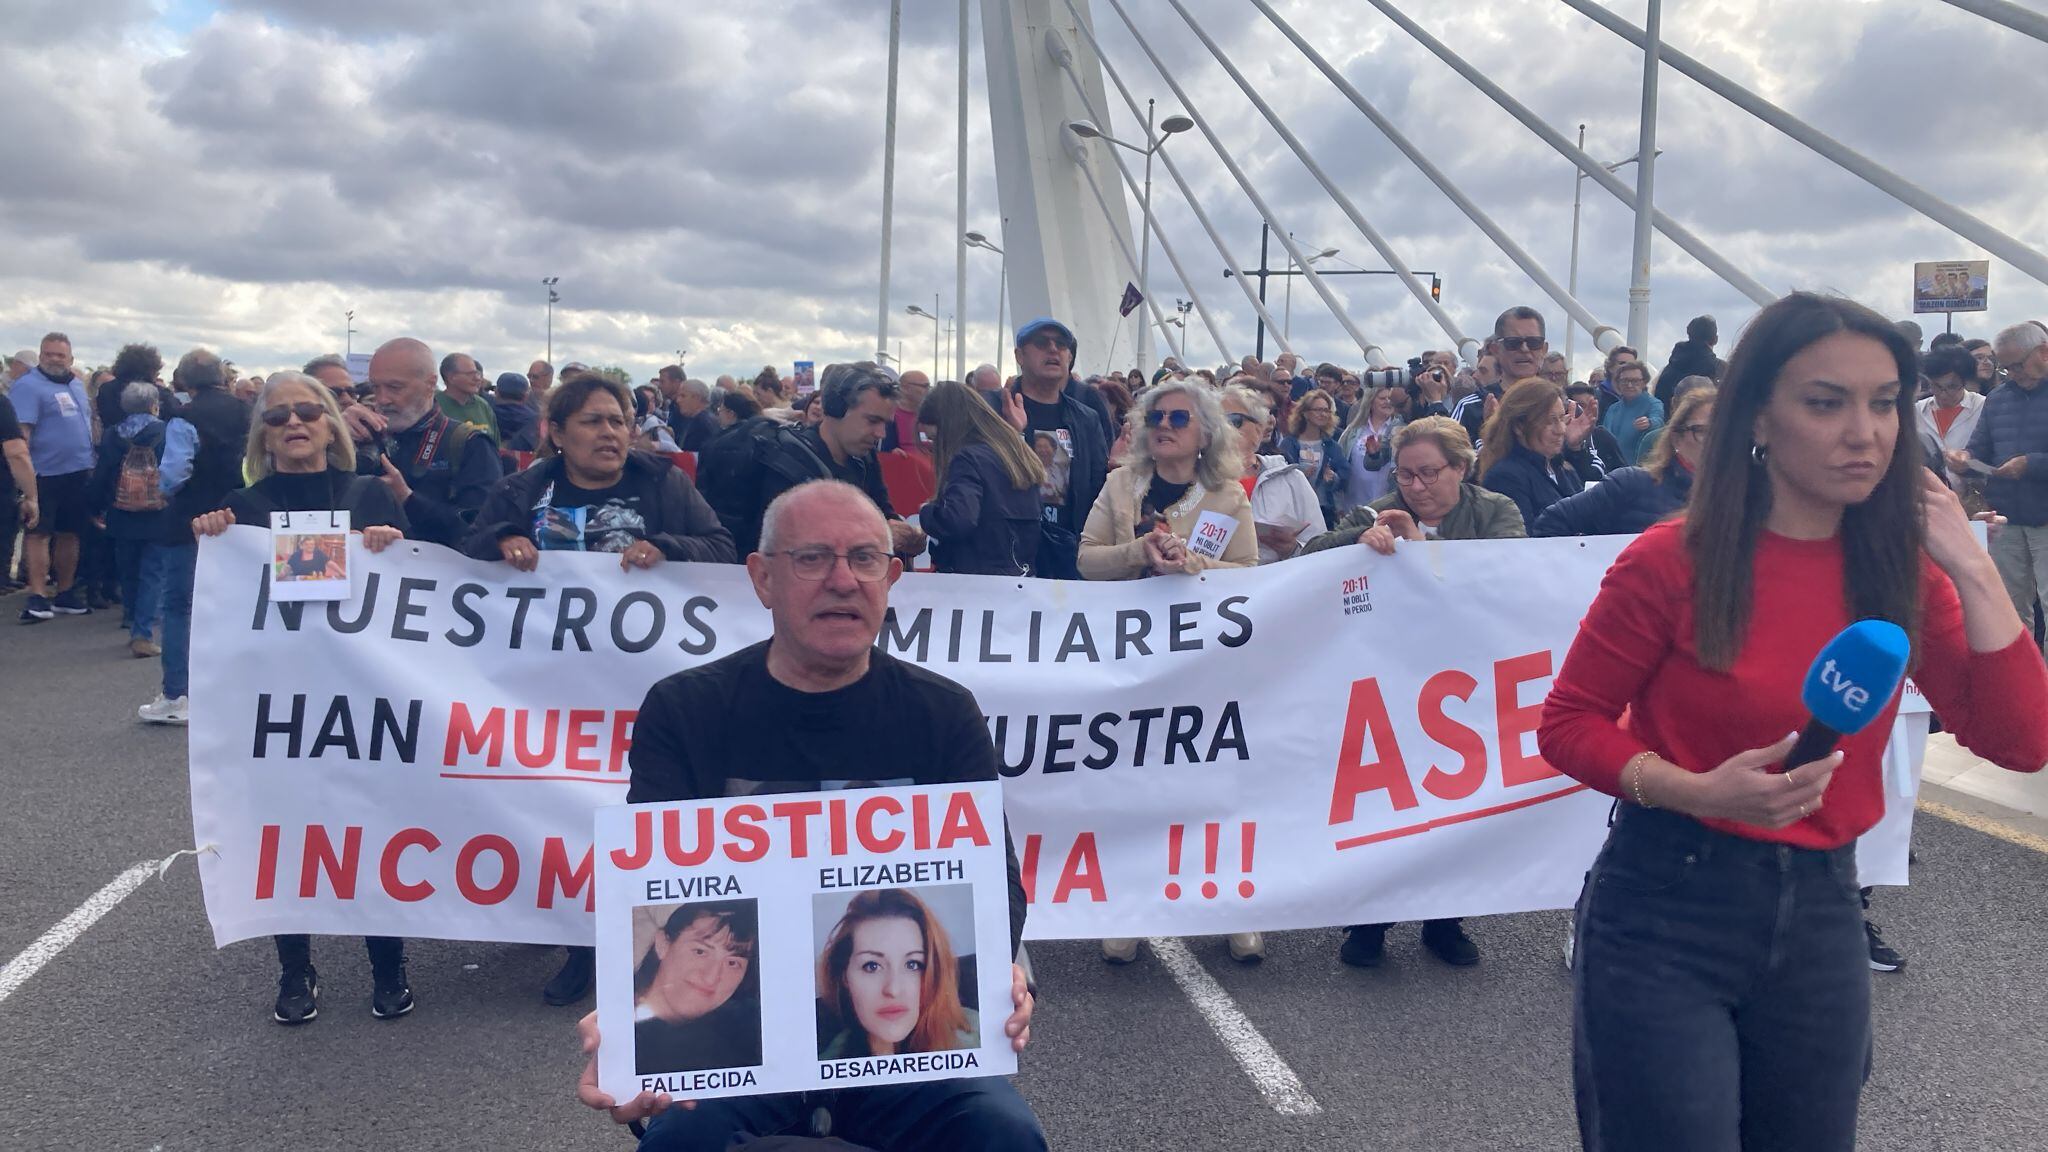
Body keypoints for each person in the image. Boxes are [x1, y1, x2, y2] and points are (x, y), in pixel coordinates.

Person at [1538, 291, 2048, 1151]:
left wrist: (1971, 566)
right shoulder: (1671, 560)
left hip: (1821, 917)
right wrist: (1693, 791)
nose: (1866, 432)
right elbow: (1569, 722)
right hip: (1666, 906)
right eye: (1826, 402)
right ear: (1760, 418)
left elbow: (2021, 741)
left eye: (1884, 402)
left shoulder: (1905, 573)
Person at [576, 479, 1042, 1151]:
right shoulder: (686, 710)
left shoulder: (943, 713)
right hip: (743, 1048)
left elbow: (996, 883)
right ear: (763, 578)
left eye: (864, 559)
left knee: (1004, 1133)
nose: (843, 580)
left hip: (900, 1053)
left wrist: (1005, 972)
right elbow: (648, 889)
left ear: (893, 577)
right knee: (680, 1139)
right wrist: (626, 1028)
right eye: (812, 558)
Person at [467, 374, 732, 1004]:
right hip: (547, 694)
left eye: (618, 420)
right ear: (555, 433)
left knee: (639, 810)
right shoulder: (523, 489)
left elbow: (723, 549)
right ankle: (580, 947)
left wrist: (664, 546)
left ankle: (648, 940)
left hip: (646, 689)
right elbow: (464, 560)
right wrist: (501, 542)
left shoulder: (664, 484)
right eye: (592, 421)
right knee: (563, 811)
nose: (611, 433)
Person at [186, 372, 413, 1022]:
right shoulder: (243, 510)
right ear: (263, 432)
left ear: (329, 425)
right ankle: (294, 968)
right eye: (279, 414)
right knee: (288, 832)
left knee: (370, 826)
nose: (294, 423)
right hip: (283, 705)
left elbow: (417, 590)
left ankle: (388, 961)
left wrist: (391, 549)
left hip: (364, 701)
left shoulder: (369, 494)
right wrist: (214, 535)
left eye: (308, 412)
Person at [1303, 417, 1521, 964]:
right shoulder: (1378, 508)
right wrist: (1360, 538)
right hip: (1388, 676)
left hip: (1463, 681)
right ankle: (1369, 924)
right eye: (1406, 475)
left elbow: (1507, 574)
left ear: (1461, 468)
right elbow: (1308, 560)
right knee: (1383, 802)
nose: (1416, 487)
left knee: (1454, 800)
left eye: (1429, 474)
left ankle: (1445, 921)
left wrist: (1418, 548)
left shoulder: (1496, 511)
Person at [697, 362, 926, 560]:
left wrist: (907, 535)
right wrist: (878, 535)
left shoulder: (864, 460)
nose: (881, 433)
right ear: (836, 409)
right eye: (872, 420)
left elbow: (882, 513)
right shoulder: (784, 462)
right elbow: (791, 544)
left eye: (885, 423)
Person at [139, 348, 250, 725]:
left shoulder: (183, 418)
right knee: (235, 606)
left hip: (189, 520)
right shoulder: (245, 411)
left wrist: (163, 491)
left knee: (179, 607)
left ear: (183, 381)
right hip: (240, 519)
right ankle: (229, 690)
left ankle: (177, 693)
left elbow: (174, 474)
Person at [341, 338, 502, 548]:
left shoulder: (469, 444)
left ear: (430, 384)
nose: (382, 399)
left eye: (394, 387)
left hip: (435, 576)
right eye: (375, 387)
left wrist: (408, 499)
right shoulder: (361, 434)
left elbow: (484, 531)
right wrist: (333, 434)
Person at [982, 319, 1113, 559]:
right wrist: (1012, 435)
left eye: (1061, 344)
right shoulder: (989, 408)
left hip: (1067, 552)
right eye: (1042, 342)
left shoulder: (1086, 418)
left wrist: (1118, 470)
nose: (1053, 349)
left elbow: (1097, 487)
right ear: (1019, 356)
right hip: (1004, 550)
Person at [1952, 322, 2048, 642]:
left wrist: (2031, 464)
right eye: (2005, 367)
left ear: (2043, 353)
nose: (2012, 373)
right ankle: (2026, 681)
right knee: (2009, 606)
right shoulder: (1998, 398)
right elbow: (1981, 448)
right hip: (2006, 515)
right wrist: (1964, 460)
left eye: (2017, 365)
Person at [817, 888, 977, 1059]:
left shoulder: (978, 1033)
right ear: (844, 977)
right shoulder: (821, 1068)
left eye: (912, 965)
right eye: (872, 966)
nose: (893, 989)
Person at [1536, 387, 1715, 537]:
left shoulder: (1740, 500)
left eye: (1728, 432)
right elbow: (1552, 523)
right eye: (1703, 431)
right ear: (1676, 438)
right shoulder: (1632, 484)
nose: (1718, 441)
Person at [915, 380, 1043, 576]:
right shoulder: (1018, 454)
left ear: (948, 428)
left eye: (934, 439)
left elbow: (958, 520)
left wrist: (927, 513)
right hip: (1020, 575)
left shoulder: (966, 458)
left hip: (973, 579)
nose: (934, 448)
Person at [13, 333, 97, 622]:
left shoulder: (76, 384)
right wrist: (24, 482)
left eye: (60, 355)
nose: (54, 359)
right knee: (38, 534)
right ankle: (38, 595)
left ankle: (65, 591)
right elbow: (20, 435)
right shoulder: (28, 387)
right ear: (40, 356)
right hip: (43, 473)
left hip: (77, 472)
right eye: (48, 354)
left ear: (70, 358)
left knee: (70, 533)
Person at [87, 382, 174, 657]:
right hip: (158, 512)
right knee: (153, 572)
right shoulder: (165, 432)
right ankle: (143, 632)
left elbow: (102, 474)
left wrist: (96, 507)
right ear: (154, 404)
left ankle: (131, 616)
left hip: (121, 510)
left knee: (128, 568)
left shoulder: (114, 434)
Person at [633, 902, 762, 1075]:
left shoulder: (746, 1041)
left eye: (733, 963)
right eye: (700, 951)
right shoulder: (623, 1029)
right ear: (663, 944)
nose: (711, 977)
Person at [1479, 379, 1603, 532]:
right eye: (1550, 421)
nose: (1561, 429)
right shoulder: (1505, 476)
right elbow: (1526, 538)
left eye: (1561, 418)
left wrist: (1575, 448)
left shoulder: (1562, 469)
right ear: (1519, 426)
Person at [1223, 384, 1324, 564]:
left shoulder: (1291, 480)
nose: (1222, 429)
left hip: (1277, 586)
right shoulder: (1196, 481)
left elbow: (1319, 546)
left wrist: (1292, 549)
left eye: (1233, 421)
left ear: (1259, 428)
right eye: (1215, 421)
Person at [1917, 346, 1986, 503]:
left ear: (1965, 382)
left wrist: (1968, 464)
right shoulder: (1918, 411)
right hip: (1928, 500)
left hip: (1974, 500)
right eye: (1936, 386)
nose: (1943, 394)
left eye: (1952, 387)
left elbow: (1993, 459)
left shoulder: (1984, 407)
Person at [1279, 386, 1348, 526]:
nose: (1323, 414)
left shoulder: (1332, 446)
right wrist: (1299, 475)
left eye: (1326, 410)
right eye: (1318, 410)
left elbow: (1345, 475)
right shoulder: (1289, 444)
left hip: (1324, 511)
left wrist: (1333, 478)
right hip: (1295, 511)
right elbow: (1280, 475)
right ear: (1305, 413)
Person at [1338, 386, 1402, 512]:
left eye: (1390, 398)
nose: (1387, 402)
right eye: (1382, 398)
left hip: (1388, 504)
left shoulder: (1401, 429)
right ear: (1370, 401)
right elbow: (1340, 463)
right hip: (1354, 505)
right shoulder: (1353, 431)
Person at [1600, 360, 1666, 464]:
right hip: (1612, 469)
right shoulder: (1613, 409)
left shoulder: (1654, 404)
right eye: (1625, 381)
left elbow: (1658, 421)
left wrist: (1649, 423)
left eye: (1635, 381)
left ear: (1644, 382)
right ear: (1618, 383)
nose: (1629, 385)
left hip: (1638, 470)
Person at [1654, 314, 1721, 407]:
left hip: (1671, 420)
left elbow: (1659, 402)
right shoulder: (1721, 370)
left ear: (1689, 335)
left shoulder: (1670, 369)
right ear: (1715, 339)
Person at [435, 352, 501, 446]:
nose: (477, 379)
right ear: (451, 377)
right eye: (470, 374)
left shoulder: (483, 406)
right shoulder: (433, 405)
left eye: (477, 373)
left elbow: (495, 445)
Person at [491, 371, 542, 458]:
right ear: (525, 396)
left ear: (496, 392)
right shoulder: (536, 420)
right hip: (527, 468)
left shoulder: (485, 414)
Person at [881, 370, 931, 454]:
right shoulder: (888, 416)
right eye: (925, 386)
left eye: (929, 386)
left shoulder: (931, 416)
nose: (928, 390)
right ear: (905, 388)